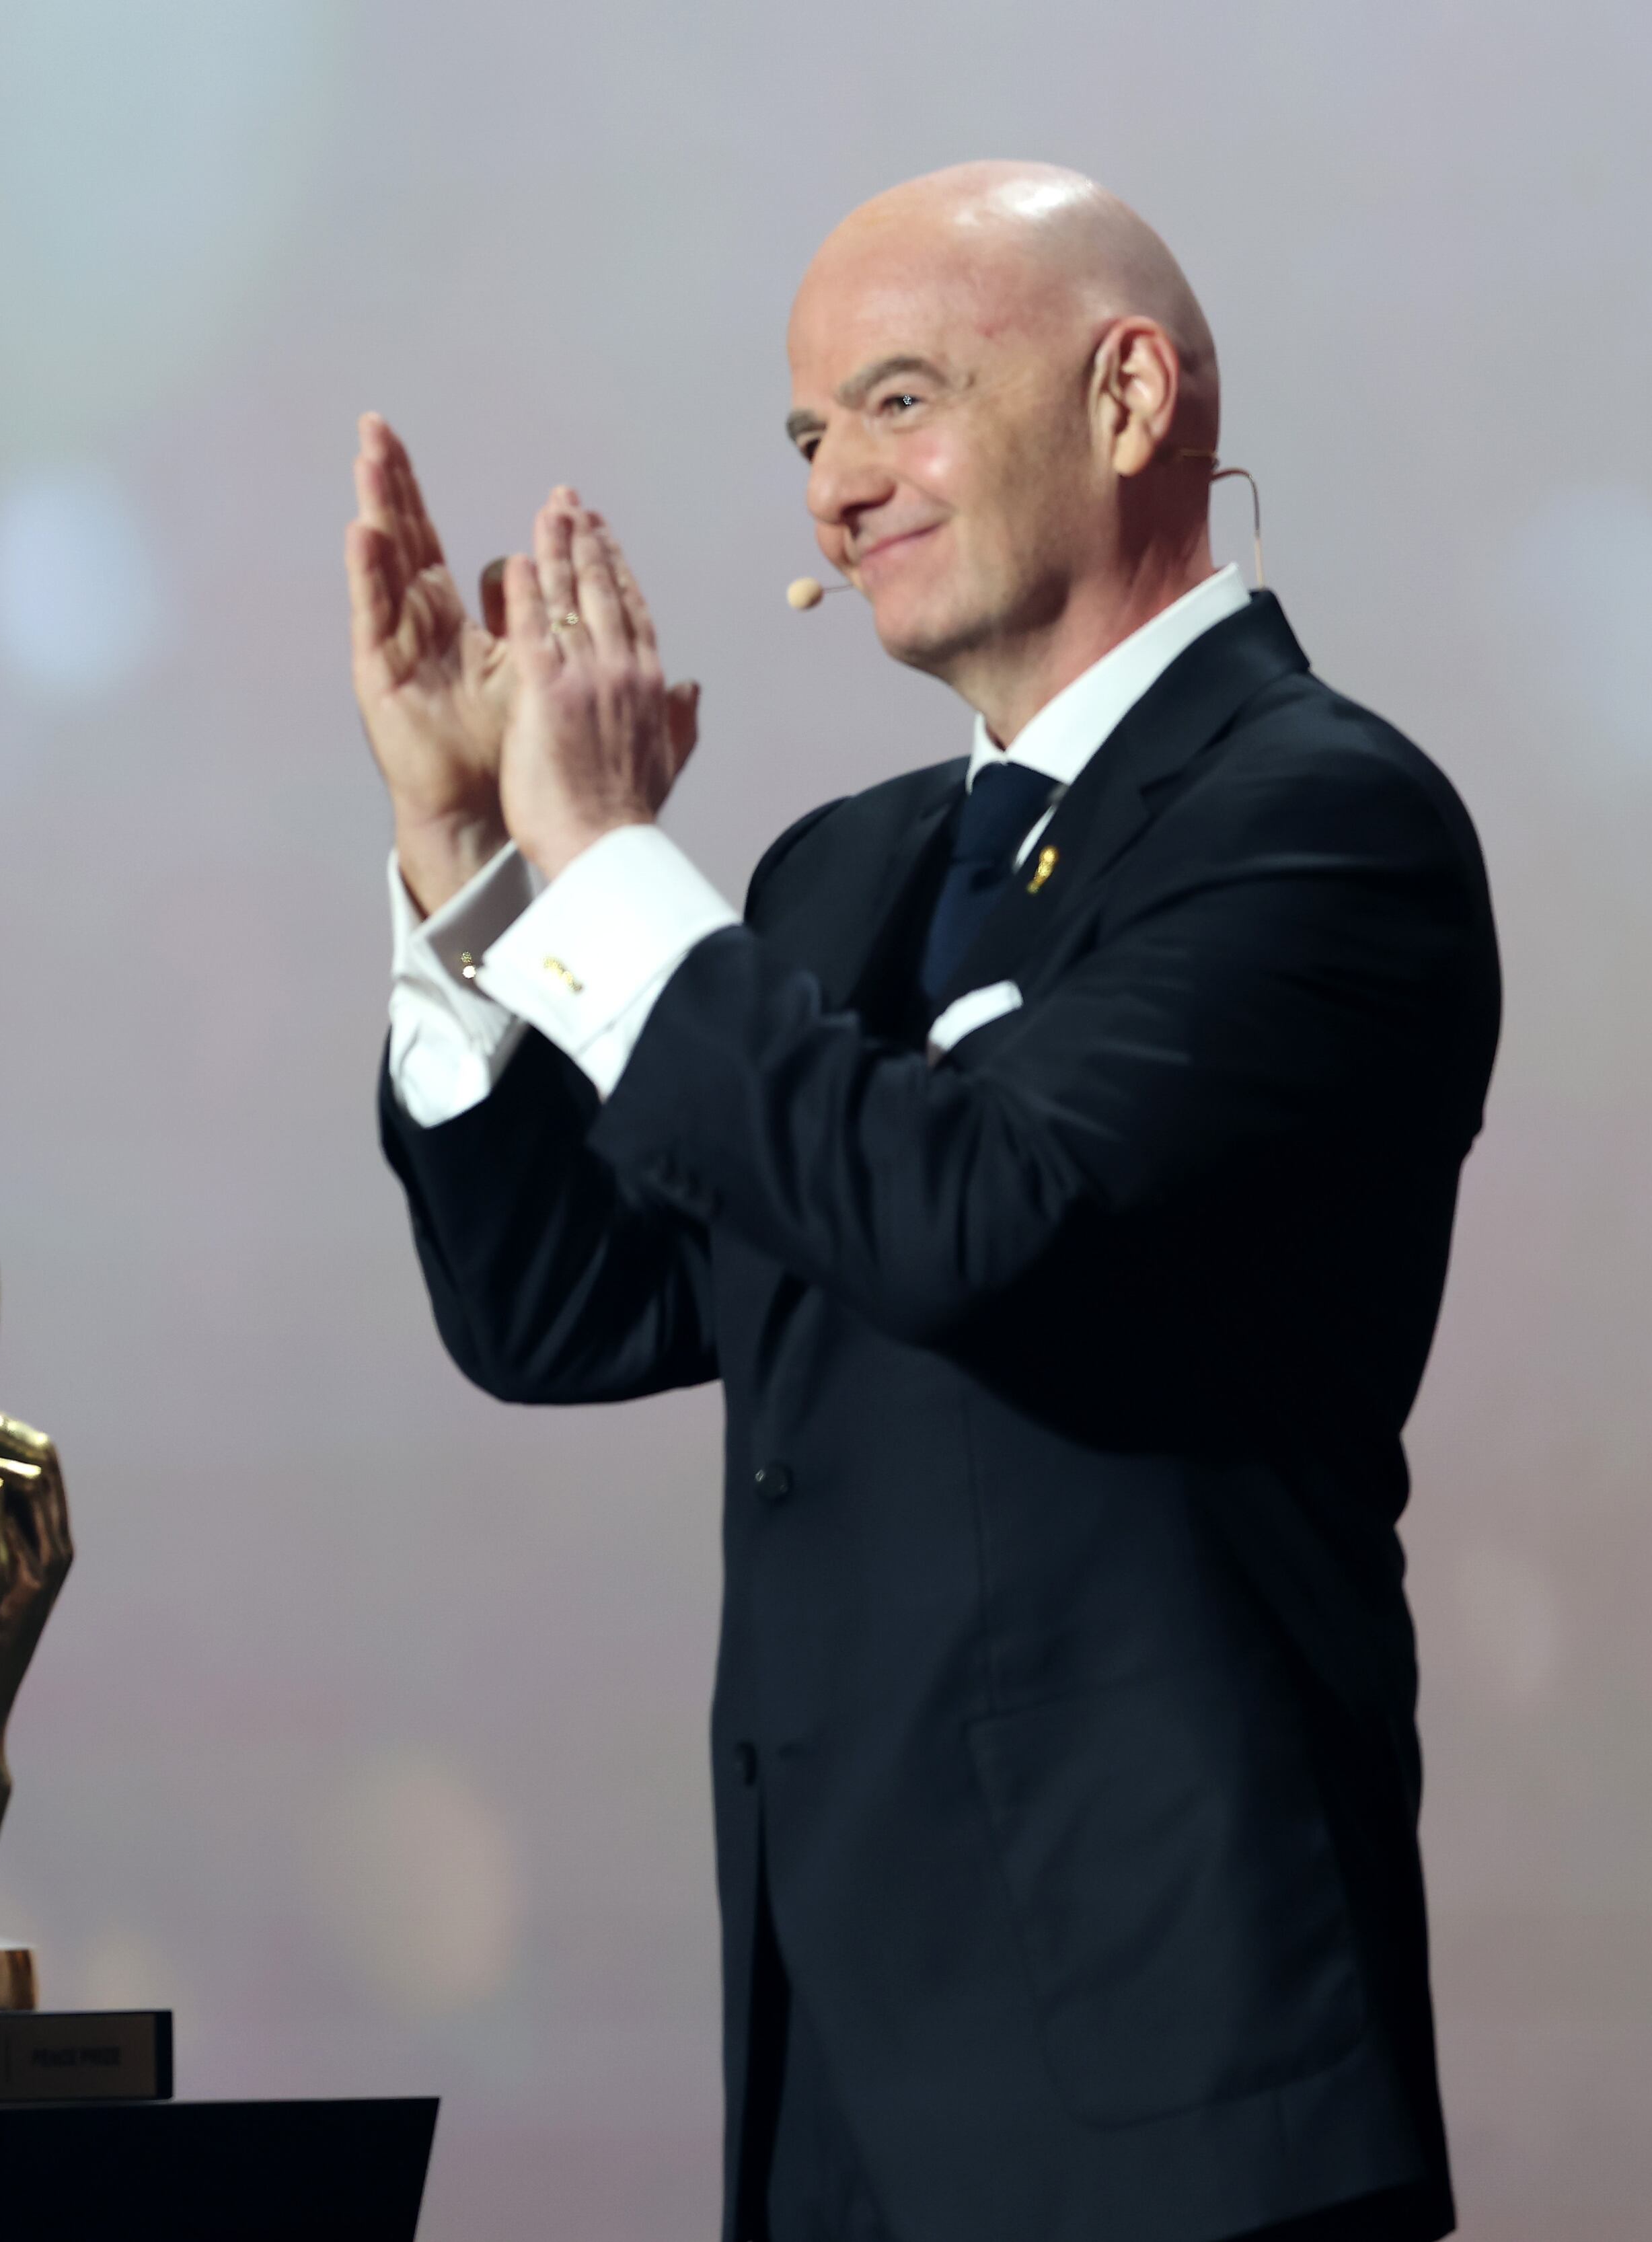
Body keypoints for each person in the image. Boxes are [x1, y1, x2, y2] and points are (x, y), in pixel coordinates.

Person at [348, 163, 1492, 2242]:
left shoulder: (1320, 820)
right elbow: (558, 1308)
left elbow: (977, 1219)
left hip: (1171, 2115)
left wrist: (608, 868)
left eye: (895, 405)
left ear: (1128, 398)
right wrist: (475, 868)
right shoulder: (830, 878)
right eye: (805, 440)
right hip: (844, 2108)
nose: (833, 494)